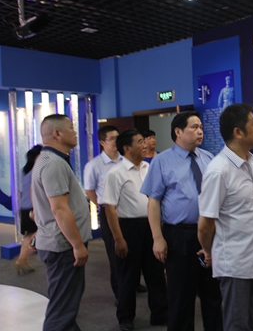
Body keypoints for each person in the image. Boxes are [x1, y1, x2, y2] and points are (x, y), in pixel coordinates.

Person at [141, 111, 223, 331]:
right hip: (180, 235)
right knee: (181, 296)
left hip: (209, 233)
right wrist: (157, 238)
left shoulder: (208, 158)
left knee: (212, 293)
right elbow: (153, 202)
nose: (200, 131)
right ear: (178, 131)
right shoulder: (161, 161)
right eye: (194, 127)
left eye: (201, 127)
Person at [198, 104, 253, 331]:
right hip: (234, 265)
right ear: (238, 132)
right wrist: (209, 251)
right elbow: (205, 225)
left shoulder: (249, 163)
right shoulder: (218, 170)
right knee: (237, 324)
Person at [103, 130, 168, 331]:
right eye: (140, 141)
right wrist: (118, 238)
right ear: (127, 148)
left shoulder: (149, 167)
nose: (145, 144)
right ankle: (125, 318)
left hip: (151, 226)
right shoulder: (116, 173)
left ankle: (160, 314)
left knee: (156, 273)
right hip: (129, 228)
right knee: (128, 276)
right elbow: (110, 208)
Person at [32, 114, 91, 331]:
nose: (75, 132)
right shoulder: (54, 164)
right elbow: (59, 208)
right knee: (62, 310)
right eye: (71, 128)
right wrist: (77, 244)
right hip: (63, 246)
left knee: (65, 303)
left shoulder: (47, 160)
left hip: (58, 243)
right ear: (57, 133)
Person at [84, 125, 124, 302]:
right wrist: (102, 206)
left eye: (117, 137)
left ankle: (133, 284)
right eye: (112, 138)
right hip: (109, 213)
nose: (116, 141)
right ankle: (119, 293)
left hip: (129, 213)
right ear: (102, 142)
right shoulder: (94, 165)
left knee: (132, 251)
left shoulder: (125, 160)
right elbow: (89, 190)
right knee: (115, 255)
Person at [15, 144, 43, 275]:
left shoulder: (24, 171)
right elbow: (34, 191)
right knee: (32, 235)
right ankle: (21, 260)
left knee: (30, 235)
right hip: (33, 207)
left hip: (24, 207)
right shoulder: (36, 171)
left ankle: (22, 260)